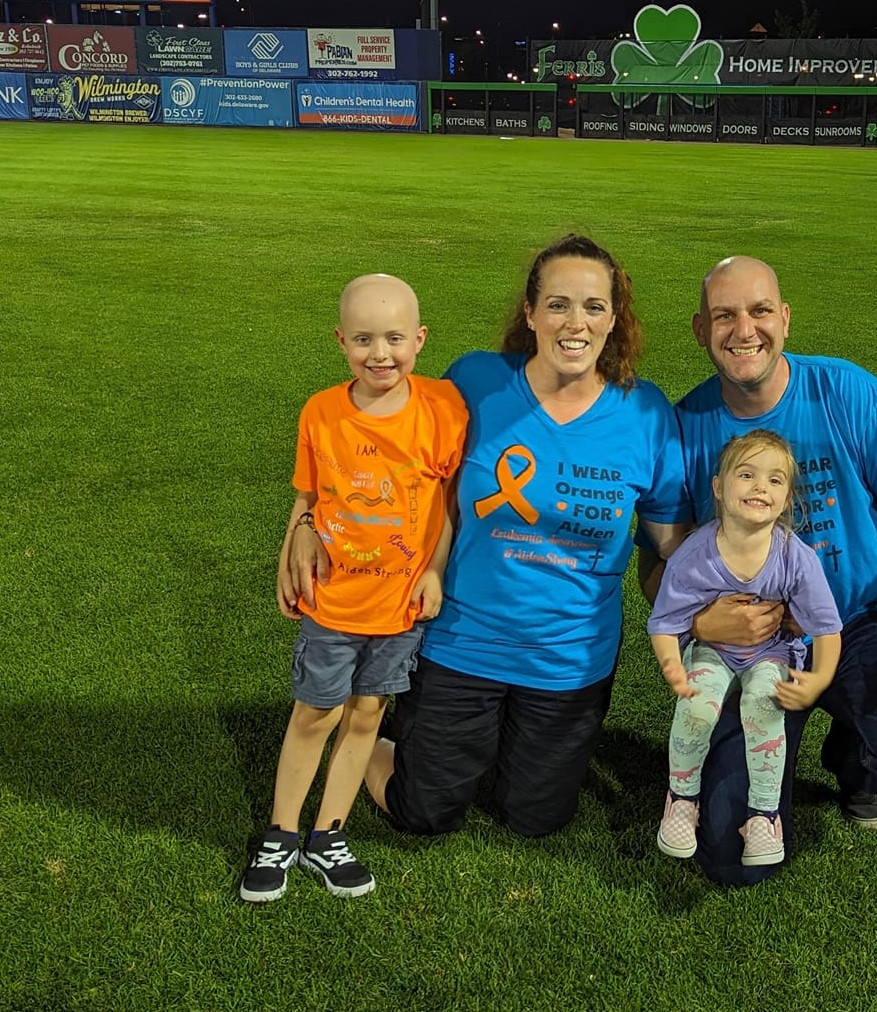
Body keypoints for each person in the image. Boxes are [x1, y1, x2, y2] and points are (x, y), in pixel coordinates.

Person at [284, 236, 690, 839]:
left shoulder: (647, 413)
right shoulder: (472, 382)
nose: (574, 323)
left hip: (568, 658)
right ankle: (366, 726)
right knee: (423, 812)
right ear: (530, 314)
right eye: (557, 304)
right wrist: (305, 523)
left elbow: (670, 544)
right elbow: (369, 450)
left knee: (536, 818)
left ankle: (490, 741)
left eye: (593, 306)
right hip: (460, 641)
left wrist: (745, 588)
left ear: (613, 319)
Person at [639, 255, 877, 886]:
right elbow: (659, 568)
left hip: (855, 623)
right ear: (699, 330)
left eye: (760, 310)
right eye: (724, 315)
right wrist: (705, 620)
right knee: (730, 856)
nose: (745, 329)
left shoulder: (850, 393)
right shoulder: (683, 431)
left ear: (785, 319)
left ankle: (857, 759)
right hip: (751, 646)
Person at [240, 274, 468, 903]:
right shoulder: (320, 411)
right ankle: (281, 832)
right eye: (363, 339)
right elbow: (308, 496)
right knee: (316, 712)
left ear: (419, 340)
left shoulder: (443, 410)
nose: (380, 353)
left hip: (399, 606)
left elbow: (447, 506)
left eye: (395, 338)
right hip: (333, 599)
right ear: (341, 340)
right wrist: (289, 555)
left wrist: (433, 571)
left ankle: (327, 834)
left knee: (368, 713)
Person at [648, 429, 842, 869]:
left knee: (762, 705)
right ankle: (681, 799)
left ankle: (763, 815)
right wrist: (672, 666)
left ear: (788, 496)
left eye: (775, 480)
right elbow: (664, 621)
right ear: (718, 488)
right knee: (696, 705)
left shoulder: (796, 557)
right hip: (711, 652)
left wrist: (820, 679)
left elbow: (827, 629)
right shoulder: (694, 555)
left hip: (771, 654)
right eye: (747, 474)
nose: (760, 487)